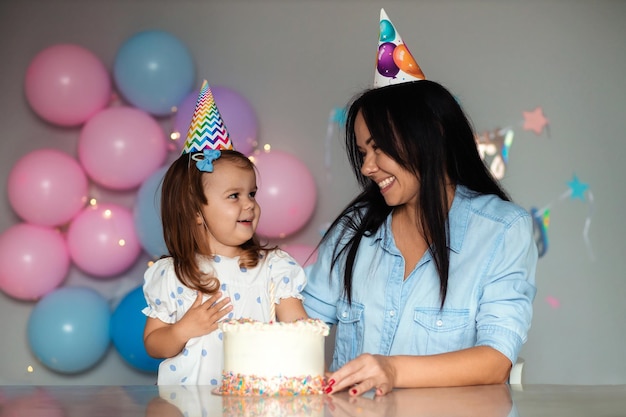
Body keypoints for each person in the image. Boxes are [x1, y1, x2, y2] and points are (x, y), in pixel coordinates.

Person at [302, 9, 537, 397]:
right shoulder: (354, 229)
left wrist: (392, 370)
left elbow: (495, 361)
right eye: (363, 152)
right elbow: (301, 324)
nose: (368, 166)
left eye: (379, 148)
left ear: (433, 135)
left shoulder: (502, 230)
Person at [142, 81, 308, 386]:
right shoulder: (174, 274)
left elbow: (299, 328)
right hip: (188, 405)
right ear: (195, 210)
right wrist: (181, 330)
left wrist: (307, 336)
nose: (249, 205)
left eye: (252, 194)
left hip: (253, 402)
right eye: (234, 196)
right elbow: (153, 343)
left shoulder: (273, 268)